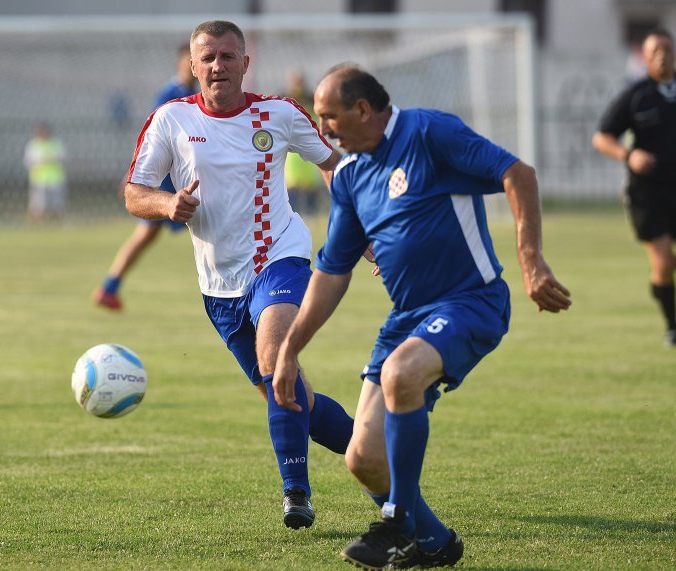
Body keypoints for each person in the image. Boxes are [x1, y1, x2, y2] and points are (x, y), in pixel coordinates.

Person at [272, 66, 572, 569]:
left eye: (329, 117)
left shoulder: (429, 132)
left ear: (363, 109)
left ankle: (397, 526)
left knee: (401, 373)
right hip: (407, 318)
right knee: (362, 458)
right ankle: (435, 545)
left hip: (469, 302)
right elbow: (331, 272)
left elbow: (517, 173)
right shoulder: (348, 176)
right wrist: (289, 349)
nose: (324, 131)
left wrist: (531, 259)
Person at [123, 20, 354, 529]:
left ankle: (296, 495)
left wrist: (363, 226)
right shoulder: (170, 120)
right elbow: (134, 191)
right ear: (192, 64)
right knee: (290, 397)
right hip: (218, 287)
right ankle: (373, 454)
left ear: (245, 63)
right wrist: (167, 203)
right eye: (207, 58)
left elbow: (333, 165)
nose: (217, 66)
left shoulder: (279, 113)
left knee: (277, 359)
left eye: (228, 57)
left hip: (280, 257)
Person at [94, 43, 199, 310]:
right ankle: (109, 286)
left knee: (148, 234)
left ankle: (110, 287)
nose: (193, 65)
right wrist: (135, 175)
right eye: (190, 59)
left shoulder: (190, 92)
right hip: (167, 177)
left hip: (176, 175)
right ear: (180, 62)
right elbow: (151, 134)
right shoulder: (172, 92)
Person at [592, 28, 676, 348]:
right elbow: (601, 137)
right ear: (645, 57)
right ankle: (672, 326)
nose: (661, 56)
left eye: (666, 49)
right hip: (648, 193)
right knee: (664, 262)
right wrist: (630, 155)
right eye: (654, 51)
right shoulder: (637, 95)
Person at [283, 70, 324, 217]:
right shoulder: (287, 99)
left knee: (310, 181)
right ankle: (292, 212)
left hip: (309, 144)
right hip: (292, 151)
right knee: (293, 183)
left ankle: (313, 212)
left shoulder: (309, 99)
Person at [23, 122, 66, 222]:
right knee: (37, 204)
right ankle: (34, 223)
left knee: (57, 204)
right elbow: (28, 161)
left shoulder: (56, 144)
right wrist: (41, 161)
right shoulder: (33, 145)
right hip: (39, 179)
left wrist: (53, 160)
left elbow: (63, 158)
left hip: (55, 179)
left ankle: (56, 223)